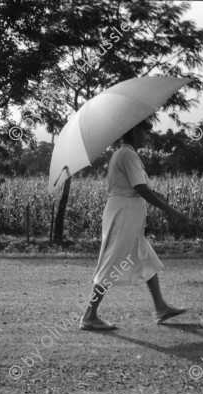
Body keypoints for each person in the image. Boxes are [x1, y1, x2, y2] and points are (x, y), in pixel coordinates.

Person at [80, 118, 192, 330]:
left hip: (125, 213)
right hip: (124, 215)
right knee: (112, 261)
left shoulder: (124, 154)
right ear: (133, 132)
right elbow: (140, 188)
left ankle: (160, 307)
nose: (147, 136)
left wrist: (157, 195)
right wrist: (171, 211)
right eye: (144, 132)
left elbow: (136, 186)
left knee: (146, 258)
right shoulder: (128, 154)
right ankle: (89, 315)